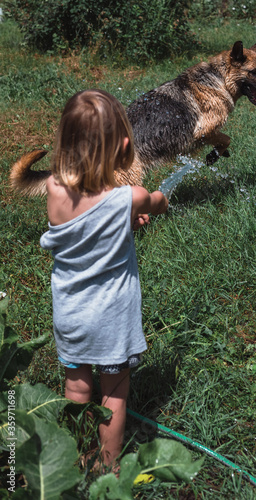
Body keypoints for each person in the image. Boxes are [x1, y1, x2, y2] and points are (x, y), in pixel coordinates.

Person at [40, 89, 168, 470]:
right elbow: (154, 202)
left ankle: (75, 455)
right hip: (112, 318)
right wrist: (154, 202)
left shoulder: (54, 189)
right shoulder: (132, 197)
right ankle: (108, 467)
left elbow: (87, 226)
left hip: (71, 312)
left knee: (77, 386)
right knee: (114, 393)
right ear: (125, 145)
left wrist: (121, 223)